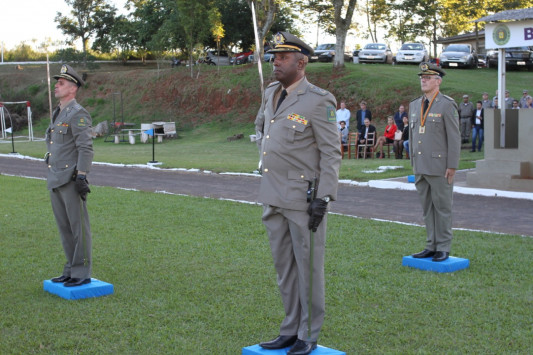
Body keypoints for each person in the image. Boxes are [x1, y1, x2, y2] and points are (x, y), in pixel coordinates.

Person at [253, 31, 341, 355]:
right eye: (274, 56)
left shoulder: (319, 100)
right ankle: (290, 328)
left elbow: (332, 153)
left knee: (308, 268)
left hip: (303, 198)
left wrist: (324, 196)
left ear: (301, 63)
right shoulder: (271, 92)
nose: (276, 61)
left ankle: (308, 333)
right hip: (271, 192)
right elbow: (263, 127)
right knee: (284, 269)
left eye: (283, 57)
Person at [46, 64, 94, 287]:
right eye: (57, 82)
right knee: (64, 227)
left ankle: (81, 272)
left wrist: (82, 175)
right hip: (55, 177)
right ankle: (70, 268)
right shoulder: (58, 112)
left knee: (78, 228)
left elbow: (85, 148)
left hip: (71, 178)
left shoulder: (78, 114)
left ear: (73, 88)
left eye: (61, 83)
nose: (56, 85)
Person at [409, 62, 461, 262]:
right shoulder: (415, 104)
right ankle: (431, 245)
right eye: (422, 77)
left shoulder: (446, 104)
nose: (423, 80)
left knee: (443, 207)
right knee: (427, 208)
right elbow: (413, 136)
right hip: (421, 166)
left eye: (428, 77)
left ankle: (444, 247)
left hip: (440, 166)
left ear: (438, 81)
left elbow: (454, 137)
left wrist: (452, 165)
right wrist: (413, 162)